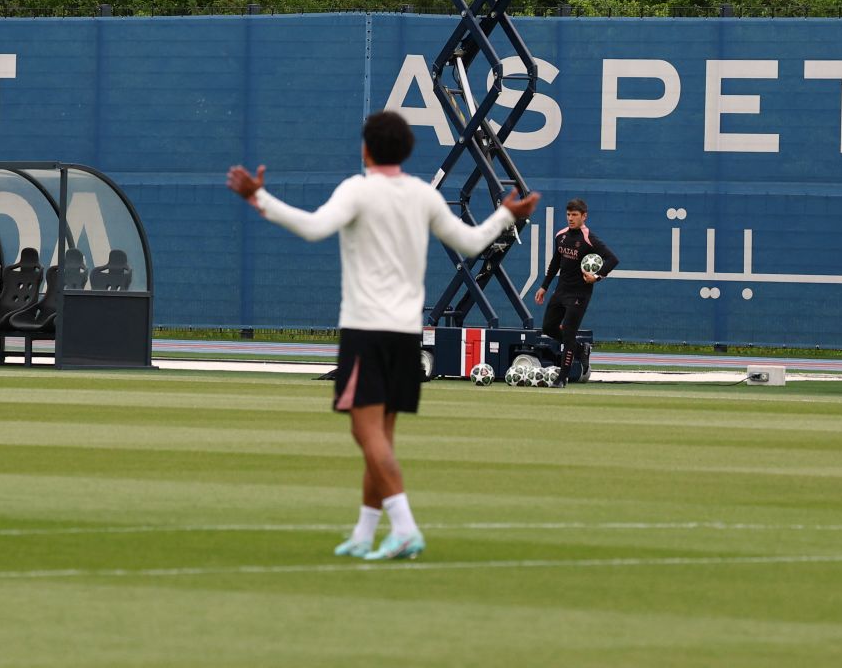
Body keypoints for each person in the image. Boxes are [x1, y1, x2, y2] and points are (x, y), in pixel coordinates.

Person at [227, 110, 539, 562]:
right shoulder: (421, 195)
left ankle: (406, 527)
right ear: (407, 150)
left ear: (366, 148)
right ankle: (364, 531)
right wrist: (505, 214)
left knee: (365, 433)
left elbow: (314, 228)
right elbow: (473, 244)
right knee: (381, 439)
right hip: (407, 334)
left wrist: (262, 200)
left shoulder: (359, 189)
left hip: (367, 330)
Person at [532, 197, 618, 385]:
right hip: (560, 290)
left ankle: (562, 378)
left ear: (584, 216)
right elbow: (556, 263)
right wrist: (544, 286)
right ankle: (580, 350)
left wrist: (597, 276)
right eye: (568, 214)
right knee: (548, 327)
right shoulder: (561, 235)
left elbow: (612, 259)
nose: (570, 218)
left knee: (569, 333)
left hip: (579, 294)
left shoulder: (589, 239)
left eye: (575, 215)